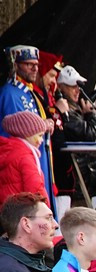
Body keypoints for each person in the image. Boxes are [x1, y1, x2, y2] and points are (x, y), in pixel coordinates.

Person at [0, 46, 55, 214]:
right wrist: (44, 125)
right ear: (15, 65)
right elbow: (19, 129)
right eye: (28, 64)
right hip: (23, 162)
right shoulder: (10, 93)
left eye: (36, 64)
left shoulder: (28, 91)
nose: (35, 68)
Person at [52, 65, 96, 205]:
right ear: (61, 87)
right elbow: (90, 134)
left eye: (78, 86)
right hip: (76, 180)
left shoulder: (74, 110)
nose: (77, 90)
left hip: (84, 180)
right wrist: (90, 114)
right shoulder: (64, 111)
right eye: (72, 86)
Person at [0, 110, 49, 207]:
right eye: (39, 135)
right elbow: (35, 188)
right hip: (24, 211)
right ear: (27, 134)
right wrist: (45, 210)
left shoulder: (9, 150)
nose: (41, 140)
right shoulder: (25, 157)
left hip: (9, 211)